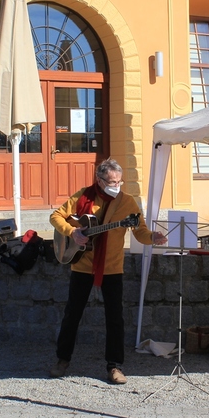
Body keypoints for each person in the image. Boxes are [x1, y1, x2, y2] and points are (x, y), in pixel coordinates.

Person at [49, 158, 166, 385]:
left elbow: (140, 231)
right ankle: (62, 360)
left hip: (112, 267)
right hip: (82, 264)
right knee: (72, 314)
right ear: (100, 180)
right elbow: (55, 216)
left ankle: (115, 366)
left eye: (120, 182)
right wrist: (72, 232)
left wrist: (153, 237)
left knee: (115, 318)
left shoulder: (127, 202)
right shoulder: (83, 196)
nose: (117, 186)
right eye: (112, 182)